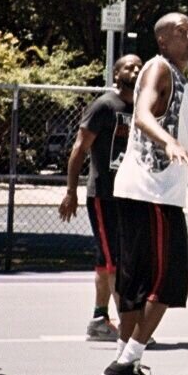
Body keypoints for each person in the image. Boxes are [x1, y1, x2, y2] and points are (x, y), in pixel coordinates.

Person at [99, 13, 188, 375]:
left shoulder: (176, 76)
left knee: (137, 284)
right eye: (181, 31)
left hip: (146, 192)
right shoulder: (160, 68)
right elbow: (142, 115)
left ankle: (128, 368)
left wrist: (183, 150)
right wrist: (169, 143)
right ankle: (123, 366)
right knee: (167, 283)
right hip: (152, 194)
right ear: (162, 41)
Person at [60, 54, 143, 341]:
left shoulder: (144, 108)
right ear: (116, 73)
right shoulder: (105, 105)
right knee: (115, 262)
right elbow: (80, 149)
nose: (135, 69)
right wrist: (71, 190)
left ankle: (99, 318)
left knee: (105, 260)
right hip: (104, 194)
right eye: (129, 66)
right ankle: (128, 327)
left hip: (131, 195)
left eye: (139, 66)